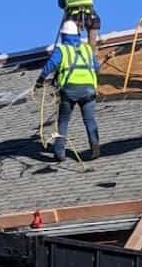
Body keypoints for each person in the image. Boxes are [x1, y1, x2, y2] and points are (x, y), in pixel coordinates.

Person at [35, 19, 100, 162]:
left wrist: (40, 81)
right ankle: (95, 146)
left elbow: (50, 65)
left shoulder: (62, 49)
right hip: (89, 90)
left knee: (63, 121)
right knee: (89, 120)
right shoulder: (87, 48)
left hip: (70, 90)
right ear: (77, 34)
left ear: (64, 36)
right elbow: (96, 67)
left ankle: (59, 152)